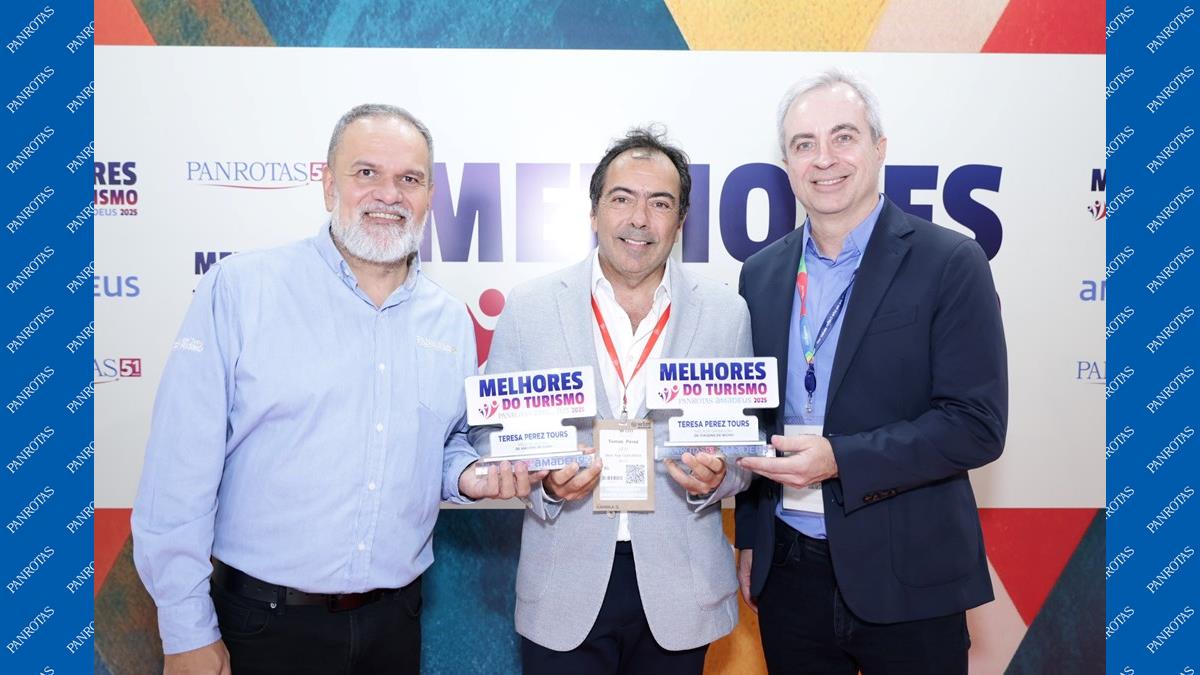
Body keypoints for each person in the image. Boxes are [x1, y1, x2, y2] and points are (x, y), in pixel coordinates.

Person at [131, 104, 536, 675]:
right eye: (366, 172)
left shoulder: (448, 320)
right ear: (328, 185)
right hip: (261, 627)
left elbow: (444, 442)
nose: (388, 194)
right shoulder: (242, 290)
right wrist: (185, 630)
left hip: (394, 625)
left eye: (409, 179)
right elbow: (177, 472)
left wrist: (468, 474)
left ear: (429, 197)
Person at [735, 71, 1008, 674]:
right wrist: (751, 539)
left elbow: (976, 425)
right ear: (786, 164)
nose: (824, 159)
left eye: (843, 137)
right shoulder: (760, 274)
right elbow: (757, 419)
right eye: (804, 144)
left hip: (912, 573)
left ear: (879, 148)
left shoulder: (951, 261)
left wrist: (841, 459)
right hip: (789, 573)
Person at [472, 127, 752, 674]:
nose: (639, 219)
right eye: (622, 198)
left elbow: (744, 444)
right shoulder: (529, 308)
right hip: (563, 584)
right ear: (594, 211)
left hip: (681, 586)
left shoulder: (726, 313)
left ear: (681, 220)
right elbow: (491, 436)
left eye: (660, 203)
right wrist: (544, 481)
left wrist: (720, 477)